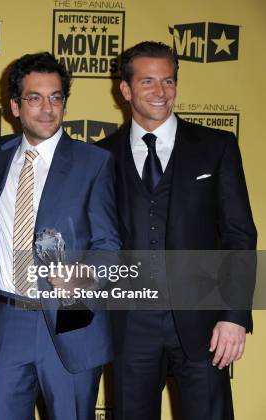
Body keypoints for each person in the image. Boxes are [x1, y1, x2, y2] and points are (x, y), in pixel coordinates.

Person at [97, 41, 257, 420]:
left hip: (202, 322)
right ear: (125, 89)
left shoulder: (216, 147)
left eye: (168, 81)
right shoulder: (100, 157)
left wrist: (234, 315)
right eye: (148, 81)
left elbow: (239, 235)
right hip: (129, 324)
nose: (160, 92)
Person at [0, 52, 120, 420]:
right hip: (8, 318)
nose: (47, 108)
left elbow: (108, 246)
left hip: (70, 317)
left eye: (56, 97)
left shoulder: (94, 162)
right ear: (14, 105)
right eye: (35, 98)